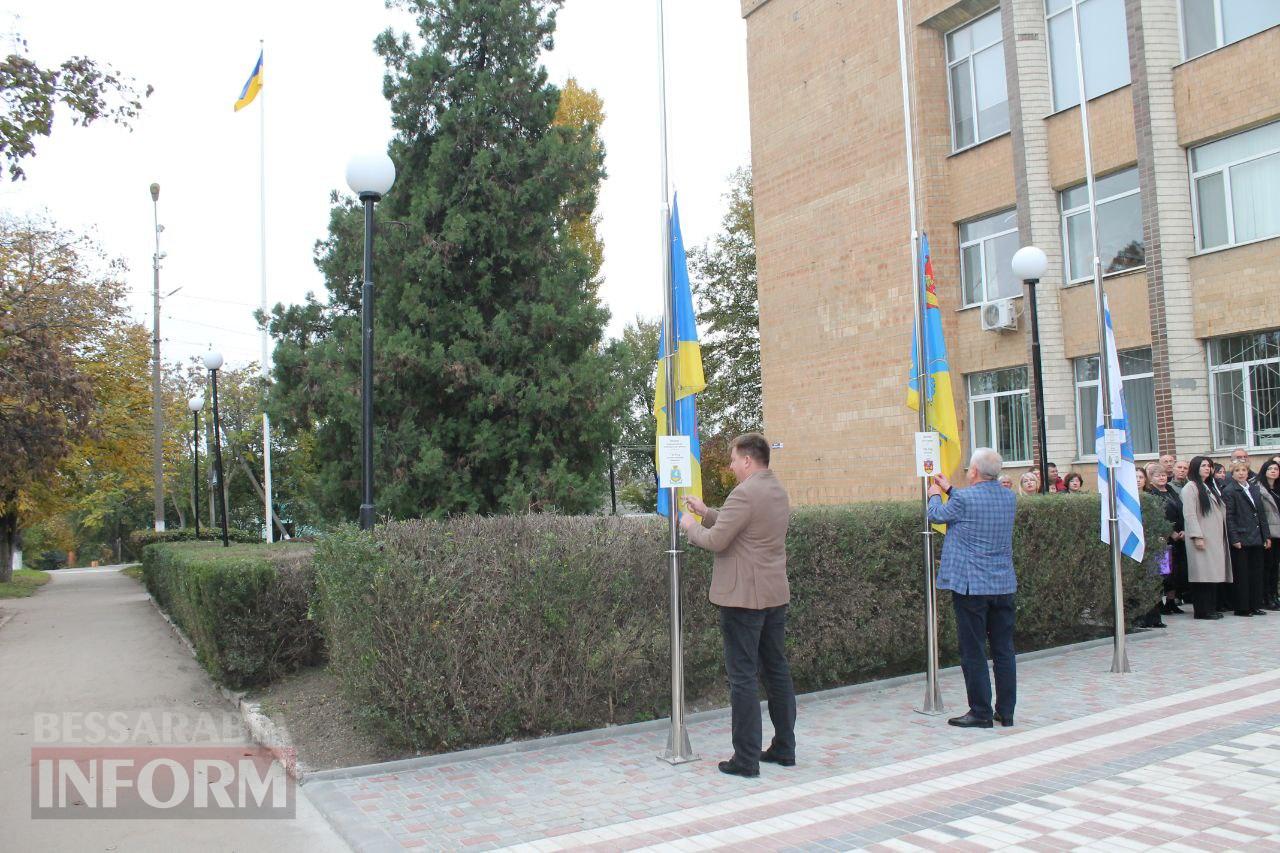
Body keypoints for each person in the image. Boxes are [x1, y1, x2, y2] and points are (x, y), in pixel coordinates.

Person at [679, 432, 794, 778]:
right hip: (774, 596)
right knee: (776, 671)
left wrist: (690, 525)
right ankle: (785, 748)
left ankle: (745, 759)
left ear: (747, 460)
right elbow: (743, 528)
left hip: (743, 599)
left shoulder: (745, 493)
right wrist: (706, 511)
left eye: (732, 459)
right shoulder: (776, 489)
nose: (730, 466)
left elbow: (717, 541)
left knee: (742, 677)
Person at [927, 448, 1017, 730]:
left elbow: (937, 515)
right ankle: (1006, 711)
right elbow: (975, 504)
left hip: (971, 586)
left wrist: (934, 492)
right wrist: (949, 487)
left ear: (975, 471)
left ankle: (980, 711)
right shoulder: (1008, 496)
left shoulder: (964, 499)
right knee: (1004, 650)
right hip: (1003, 584)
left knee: (974, 650)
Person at [1181, 455, 1231, 619]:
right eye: (1203, 466)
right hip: (1201, 537)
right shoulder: (1191, 487)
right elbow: (1189, 514)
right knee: (1202, 575)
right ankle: (1202, 611)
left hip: (1214, 538)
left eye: (1209, 466)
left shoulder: (1209, 486)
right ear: (1195, 467)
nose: (1207, 469)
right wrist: (1197, 535)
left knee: (1212, 574)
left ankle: (1211, 608)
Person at [1222, 460, 1269, 617]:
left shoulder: (1254, 489)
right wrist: (1234, 538)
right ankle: (1242, 607)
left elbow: (1261, 514)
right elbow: (1230, 517)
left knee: (1256, 572)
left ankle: (1255, 605)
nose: (1241, 473)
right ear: (1232, 474)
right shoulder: (1230, 490)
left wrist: (1266, 535)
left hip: (1256, 536)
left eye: (1244, 470)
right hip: (1241, 537)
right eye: (1237, 470)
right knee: (1243, 574)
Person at [1146, 462, 1187, 616]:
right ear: (1151, 479)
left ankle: (1171, 602)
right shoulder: (1152, 494)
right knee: (1163, 572)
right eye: (1158, 475)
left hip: (1179, 536)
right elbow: (1157, 517)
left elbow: (1180, 511)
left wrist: (1182, 530)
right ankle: (1160, 604)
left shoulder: (1170, 491)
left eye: (1163, 475)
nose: (1162, 478)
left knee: (1176, 572)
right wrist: (1171, 532)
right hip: (1164, 538)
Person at [1257, 459, 1280, 611]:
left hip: (1279, 533)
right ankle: (1266, 597)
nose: (1273, 471)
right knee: (1268, 566)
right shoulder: (1259, 489)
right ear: (1264, 471)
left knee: (1275, 567)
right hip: (1269, 534)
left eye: (1276, 469)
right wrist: (1265, 535)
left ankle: (1274, 594)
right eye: (1270, 468)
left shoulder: (1278, 489)